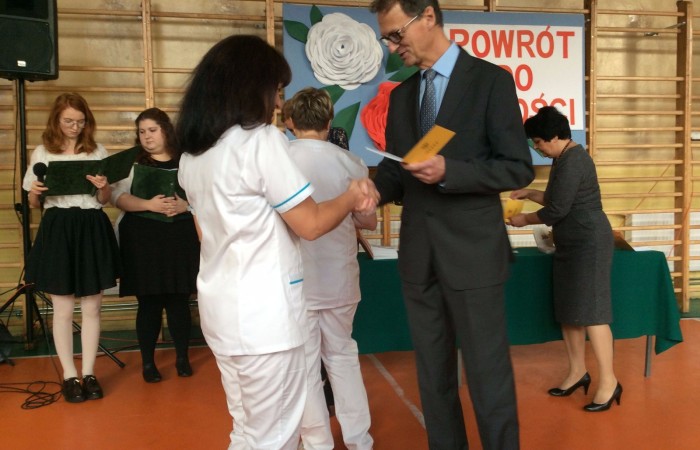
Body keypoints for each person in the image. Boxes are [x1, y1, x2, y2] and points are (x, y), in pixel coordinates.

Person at [175, 35, 375, 449]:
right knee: (275, 437)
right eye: (277, 91)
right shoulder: (260, 140)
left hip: (222, 311)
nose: (278, 104)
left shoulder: (193, 155)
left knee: (247, 430)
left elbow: (206, 234)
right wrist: (352, 195)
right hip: (265, 319)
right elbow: (311, 224)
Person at [366, 1, 535, 448]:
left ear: (428, 17)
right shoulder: (402, 96)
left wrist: (450, 171)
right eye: (386, 38)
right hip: (418, 257)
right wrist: (372, 191)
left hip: (473, 256)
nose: (392, 46)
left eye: (396, 34)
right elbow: (396, 172)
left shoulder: (490, 82)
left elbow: (517, 167)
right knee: (432, 376)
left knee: (487, 375)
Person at [509, 106, 622, 412]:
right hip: (572, 243)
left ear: (555, 137)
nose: (536, 148)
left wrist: (524, 220)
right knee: (570, 311)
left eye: (538, 142)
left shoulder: (574, 160)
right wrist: (529, 193)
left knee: (593, 313)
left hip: (589, 243)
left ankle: (609, 381)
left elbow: (557, 210)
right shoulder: (562, 158)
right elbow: (558, 198)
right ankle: (577, 372)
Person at [286, 87, 376, 450]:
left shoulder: (280, 159)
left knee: (306, 365)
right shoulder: (352, 163)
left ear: (290, 121)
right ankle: (359, 440)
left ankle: (318, 444)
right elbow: (367, 221)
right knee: (343, 356)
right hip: (339, 276)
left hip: (296, 279)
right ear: (329, 121)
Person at [22, 92, 120, 403]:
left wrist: (103, 188)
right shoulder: (42, 152)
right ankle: (68, 375)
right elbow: (34, 203)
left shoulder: (97, 151)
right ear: (56, 120)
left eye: (80, 121)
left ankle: (89, 373)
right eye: (68, 121)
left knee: (92, 307)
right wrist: (35, 191)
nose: (75, 127)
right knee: (63, 309)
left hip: (91, 226)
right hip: (58, 228)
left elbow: (104, 200)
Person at [111, 108, 199, 383]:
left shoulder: (186, 159)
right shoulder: (131, 161)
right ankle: (148, 363)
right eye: (142, 132)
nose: (147, 137)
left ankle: (182, 358)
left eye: (152, 130)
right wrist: (148, 204)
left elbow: (203, 194)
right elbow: (117, 197)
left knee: (179, 301)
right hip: (143, 240)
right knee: (148, 303)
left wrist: (187, 205)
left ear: (165, 130)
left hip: (179, 238)